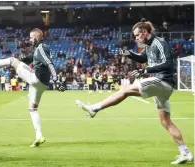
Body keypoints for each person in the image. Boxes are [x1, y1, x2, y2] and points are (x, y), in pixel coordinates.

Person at [75, 20, 193, 164]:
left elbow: (168, 63)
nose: (136, 38)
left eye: (137, 35)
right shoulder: (149, 46)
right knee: (165, 121)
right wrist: (128, 53)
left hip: (162, 81)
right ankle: (185, 152)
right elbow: (142, 57)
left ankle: (95, 108)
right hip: (162, 86)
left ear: (144, 32)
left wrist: (146, 70)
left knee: (126, 89)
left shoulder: (159, 43)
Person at [0, 28, 65, 147]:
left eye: (31, 37)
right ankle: (39, 136)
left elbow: (49, 62)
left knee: (12, 60)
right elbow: (26, 59)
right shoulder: (36, 50)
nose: (29, 40)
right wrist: (16, 65)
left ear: (37, 37)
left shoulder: (42, 47)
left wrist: (56, 79)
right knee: (32, 108)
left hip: (36, 78)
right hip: (41, 84)